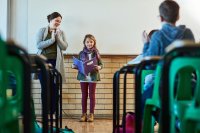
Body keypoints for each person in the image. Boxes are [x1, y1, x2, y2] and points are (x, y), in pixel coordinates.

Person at [141, 0, 195, 120]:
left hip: (164, 87)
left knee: (144, 100)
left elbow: (148, 65)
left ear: (160, 18)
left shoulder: (157, 36)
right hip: (190, 86)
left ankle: (168, 124)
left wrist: (146, 44)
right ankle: (179, 123)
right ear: (178, 16)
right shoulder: (188, 34)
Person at [36, 12, 68, 115]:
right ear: (50, 20)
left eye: (60, 21)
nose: (58, 22)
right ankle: (46, 113)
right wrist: (52, 39)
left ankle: (53, 112)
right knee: (45, 87)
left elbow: (64, 47)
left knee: (55, 88)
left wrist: (58, 37)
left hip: (56, 63)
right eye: (56, 20)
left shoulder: (61, 32)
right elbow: (39, 45)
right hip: (43, 62)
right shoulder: (42, 31)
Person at [72, 34, 103, 122]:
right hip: (83, 77)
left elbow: (101, 64)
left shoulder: (96, 53)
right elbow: (78, 64)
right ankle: (83, 114)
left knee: (92, 96)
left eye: (91, 42)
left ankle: (91, 114)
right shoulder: (81, 53)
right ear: (84, 43)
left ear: (94, 43)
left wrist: (99, 67)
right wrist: (74, 66)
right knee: (84, 95)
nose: (89, 43)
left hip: (92, 77)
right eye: (87, 42)